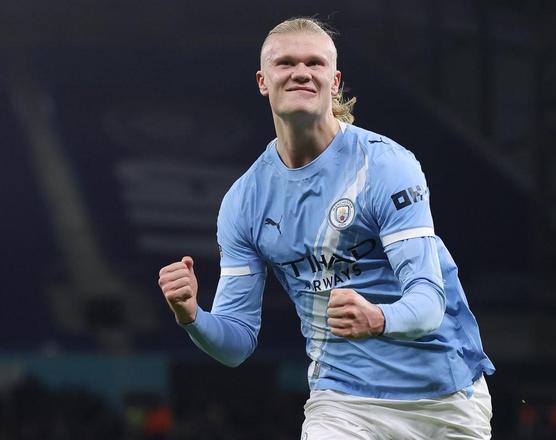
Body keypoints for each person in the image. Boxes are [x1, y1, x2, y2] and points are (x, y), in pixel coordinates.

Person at [157, 17, 495, 439]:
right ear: (263, 81)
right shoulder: (244, 202)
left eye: (314, 63)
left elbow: (429, 300)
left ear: (334, 82)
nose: (301, 72)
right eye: (286, 63)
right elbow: (236, 343)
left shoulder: (385, 165)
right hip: (342, 401)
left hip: (443, 398)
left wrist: (377, 318)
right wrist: (192, 317)